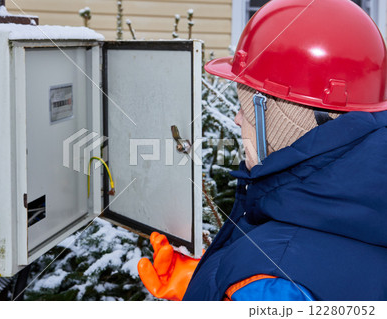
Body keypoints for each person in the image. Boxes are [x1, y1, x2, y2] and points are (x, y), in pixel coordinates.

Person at [138, 0, 387, 301]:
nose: (236, 119)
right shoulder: (352, 203)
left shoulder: (274, 285)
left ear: (279, 121)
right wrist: (210, 282)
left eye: (243, 108)